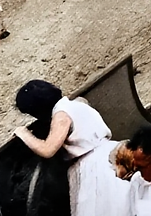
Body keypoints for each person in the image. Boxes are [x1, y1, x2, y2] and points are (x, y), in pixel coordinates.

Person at [14, 80, 129, 216]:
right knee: (123, 201)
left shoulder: (61, 115)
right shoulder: (77, 104)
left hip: (93, 167)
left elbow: (48, 150)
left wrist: (24, 134)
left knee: (103, 208)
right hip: (111, 152)